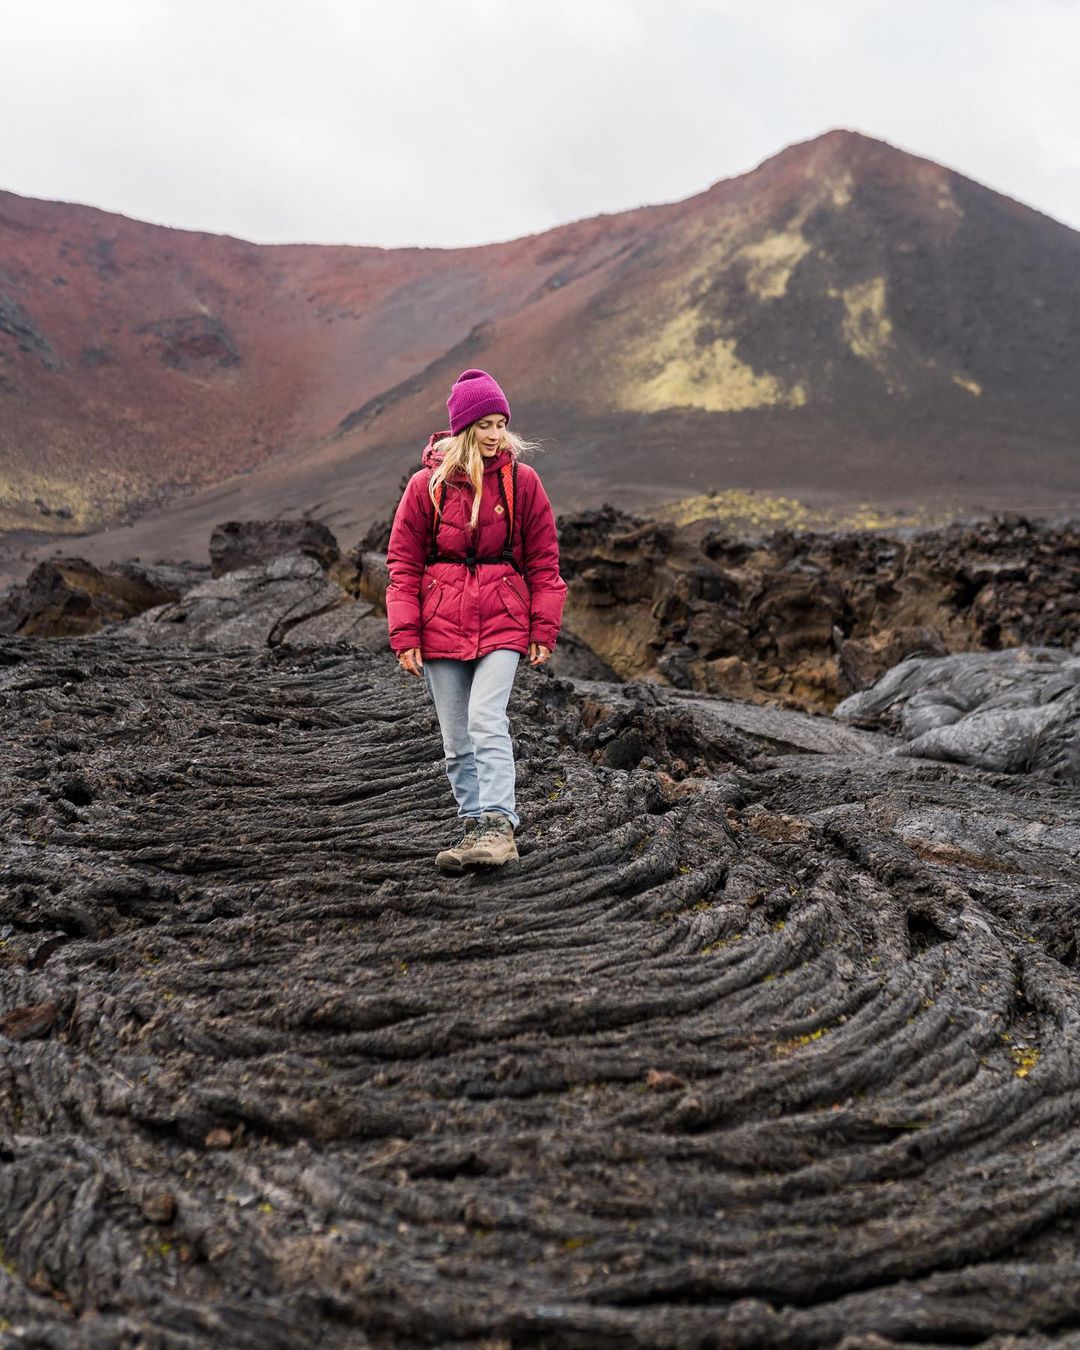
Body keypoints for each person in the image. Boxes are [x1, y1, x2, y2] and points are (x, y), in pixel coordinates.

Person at [386, 369, 567, 870]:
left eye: (500, 423)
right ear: (463, 429)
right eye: (484, 424)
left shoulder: (522, 482)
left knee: (487, 720)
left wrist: (542, 628)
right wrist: (405, 635)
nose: (494, 434)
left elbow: (545, 564)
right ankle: (472, 829)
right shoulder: (427, 486)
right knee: (455, 738)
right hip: (440, 623)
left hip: (505, 618)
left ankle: (499, 827)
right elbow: (403, 564)